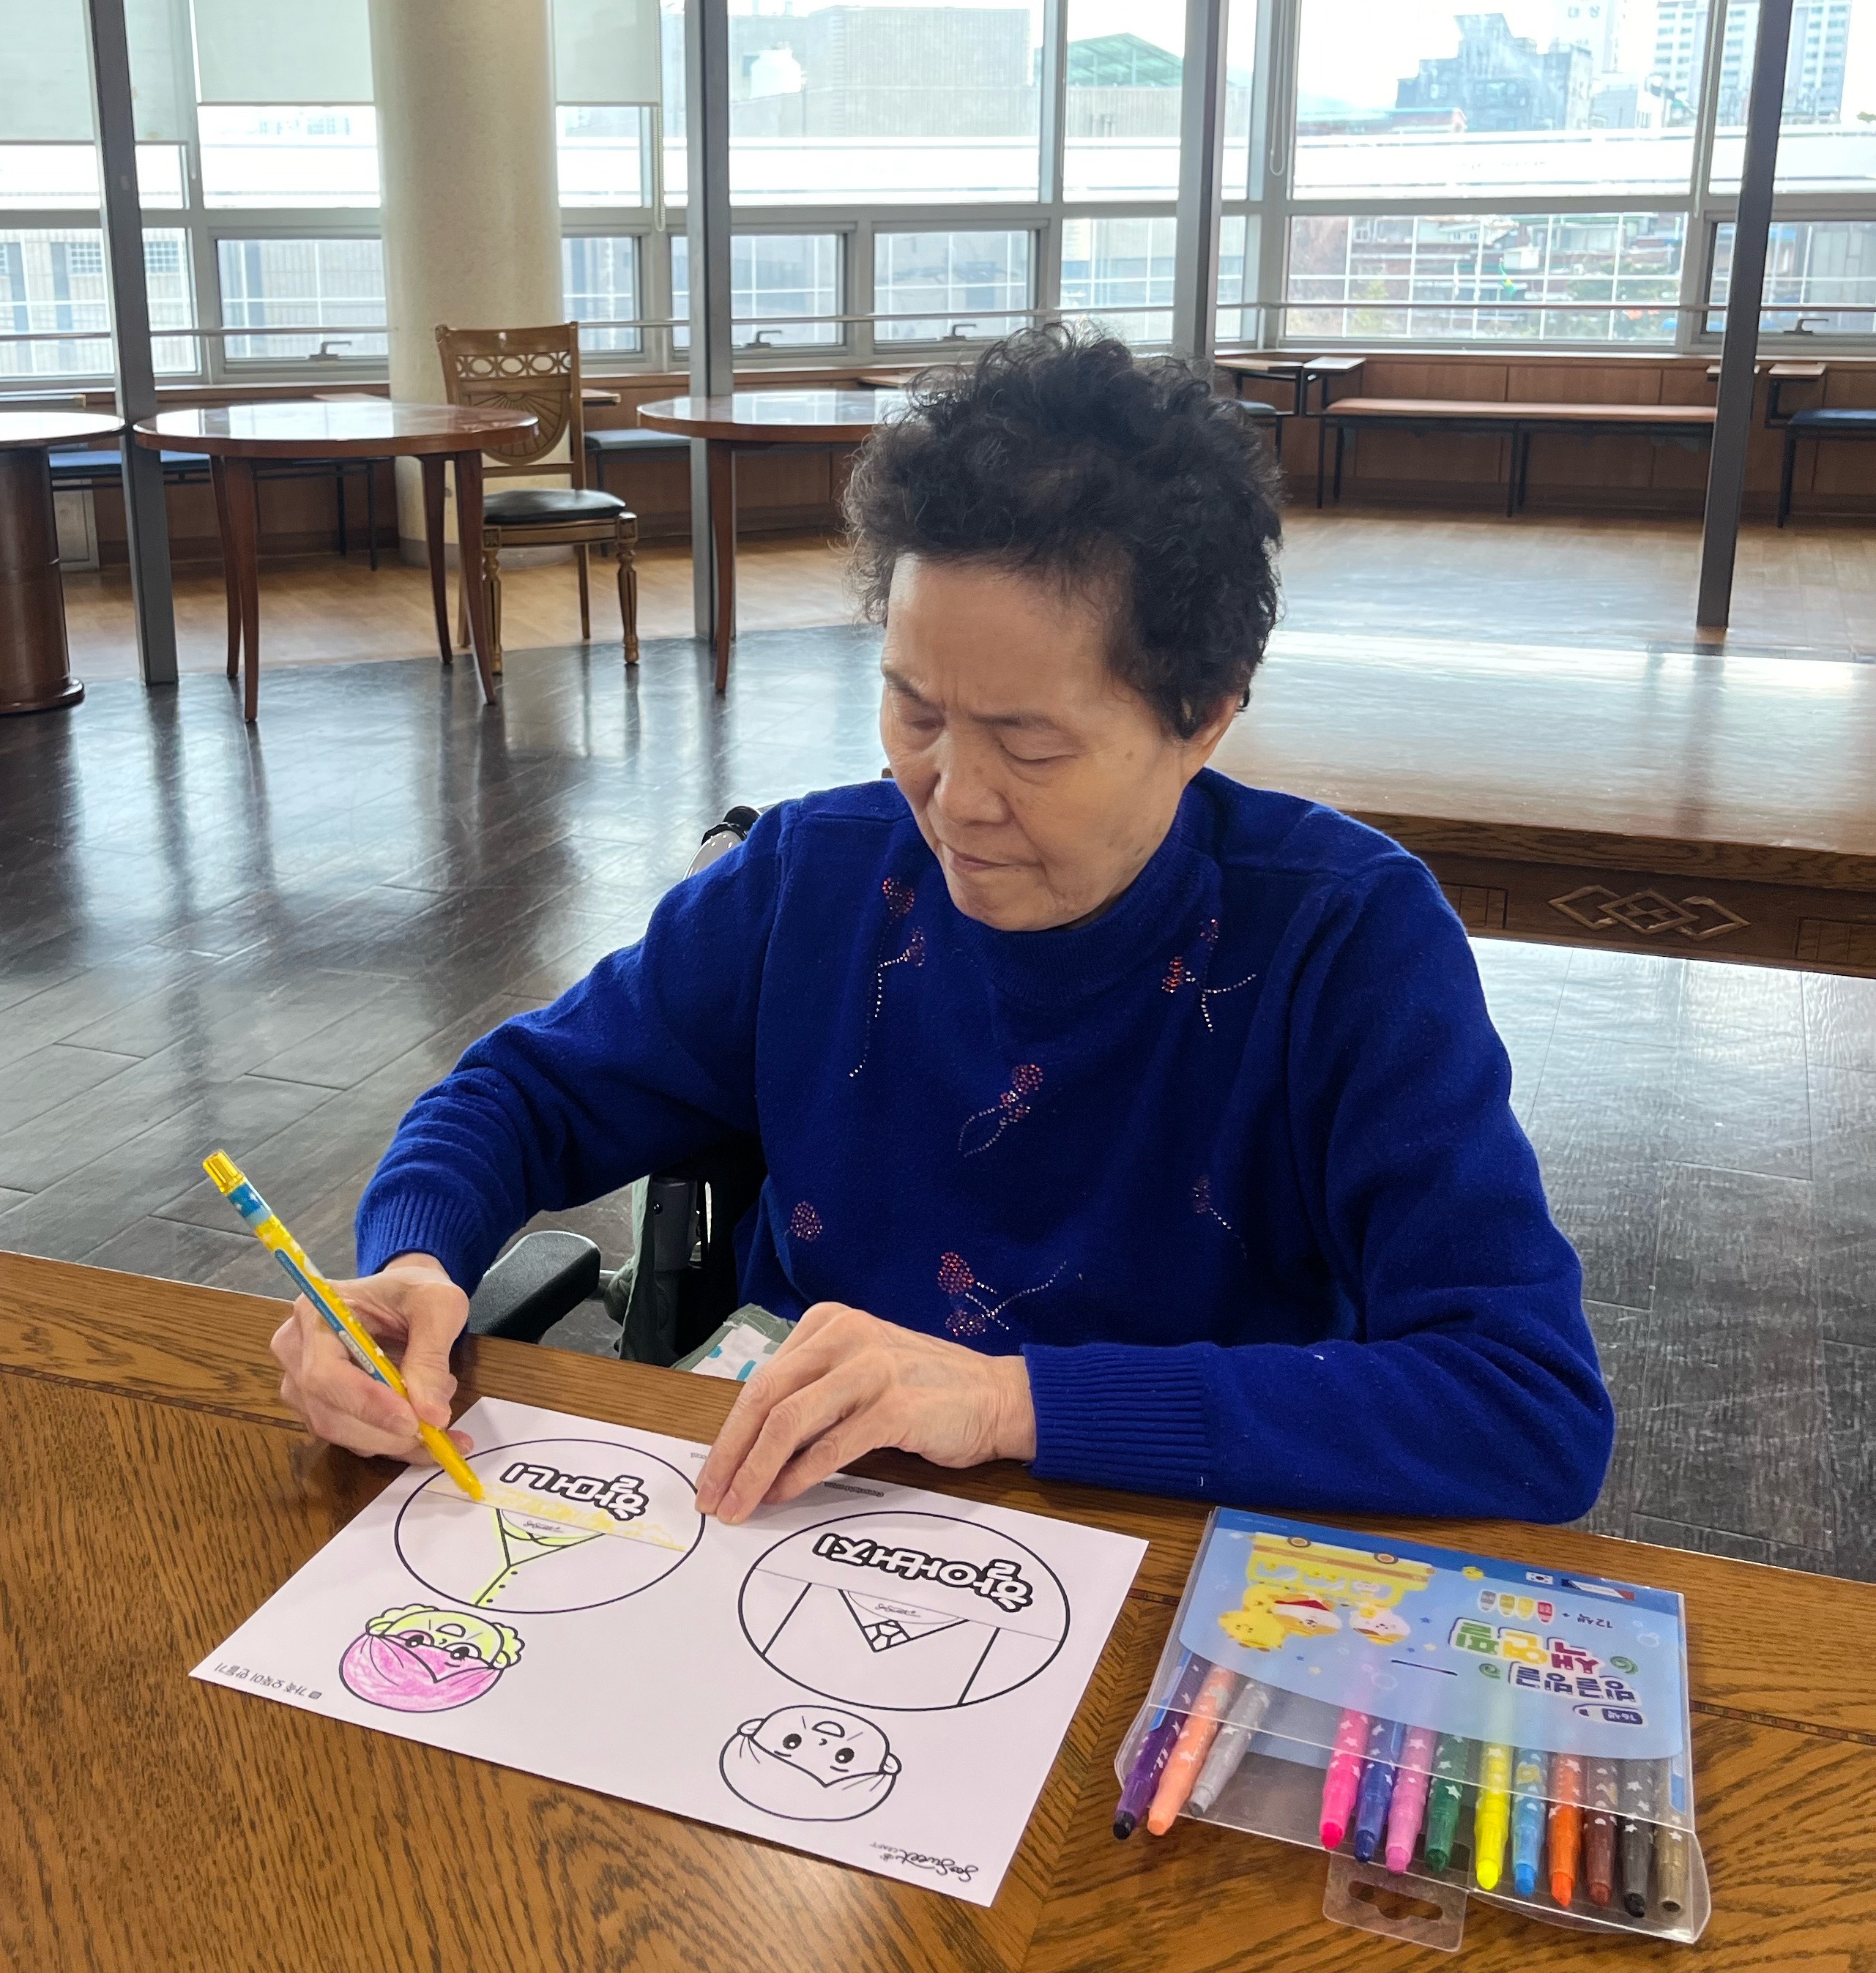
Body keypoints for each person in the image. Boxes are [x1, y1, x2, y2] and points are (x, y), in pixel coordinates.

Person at [270, 326, 1612, 1531]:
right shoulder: (817, 876)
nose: (953, 800)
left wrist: (1006, 1399)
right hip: (791, 1532)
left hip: (1158, 1551)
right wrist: (412, 1266)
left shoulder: (1343, 942)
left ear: (1204, 714)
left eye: (1029, 744)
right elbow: (519, 1092)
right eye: (914, 710)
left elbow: (1524, 1404)